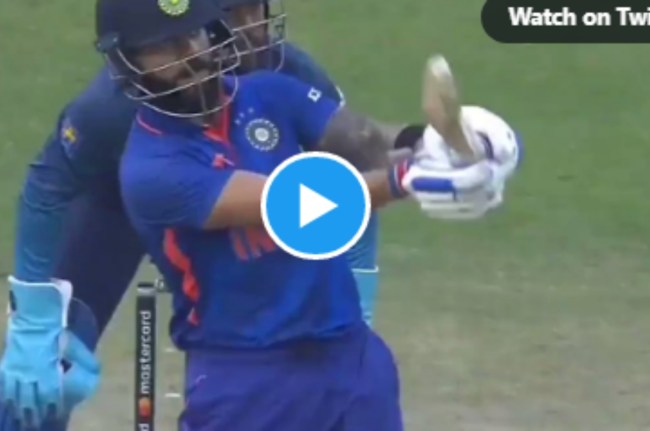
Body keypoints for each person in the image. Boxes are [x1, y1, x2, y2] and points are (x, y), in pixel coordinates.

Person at [97, 0, 522, 429]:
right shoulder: (152, 169)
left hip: (350, 359)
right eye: (164, 48)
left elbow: (364, 140)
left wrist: (438, 146)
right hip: (247, 378)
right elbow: (297, 205)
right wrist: (407, 180)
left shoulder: (268, 92)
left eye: (193, 35)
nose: (189, 55)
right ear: (128, 63)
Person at [0, 1, 385, 430]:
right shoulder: (113, 104)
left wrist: (359, 293)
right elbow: (46, 189)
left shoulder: (289, 74)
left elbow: (351, 172)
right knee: (39, 385)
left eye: (256, 9)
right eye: (235, 14)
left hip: (238, 211)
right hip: (114, 212)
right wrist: (35, 319)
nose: (254, 29)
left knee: (240, 359)